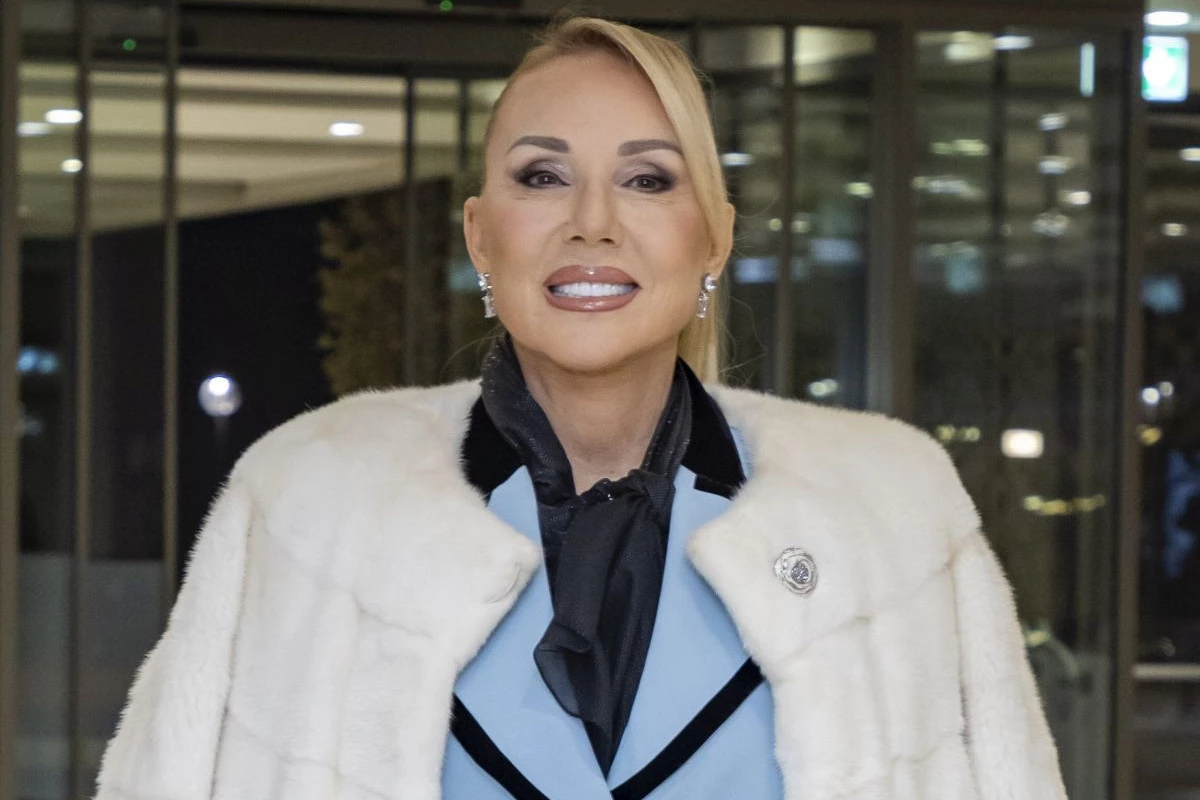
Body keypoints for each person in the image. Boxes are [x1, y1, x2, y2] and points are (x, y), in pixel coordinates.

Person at [95, 16, 1066, 800]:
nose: (592, 221)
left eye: (647, 179)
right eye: (542, 176)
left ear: (715, 237)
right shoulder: (307, 503)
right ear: (481, 234)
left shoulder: (890, 512)